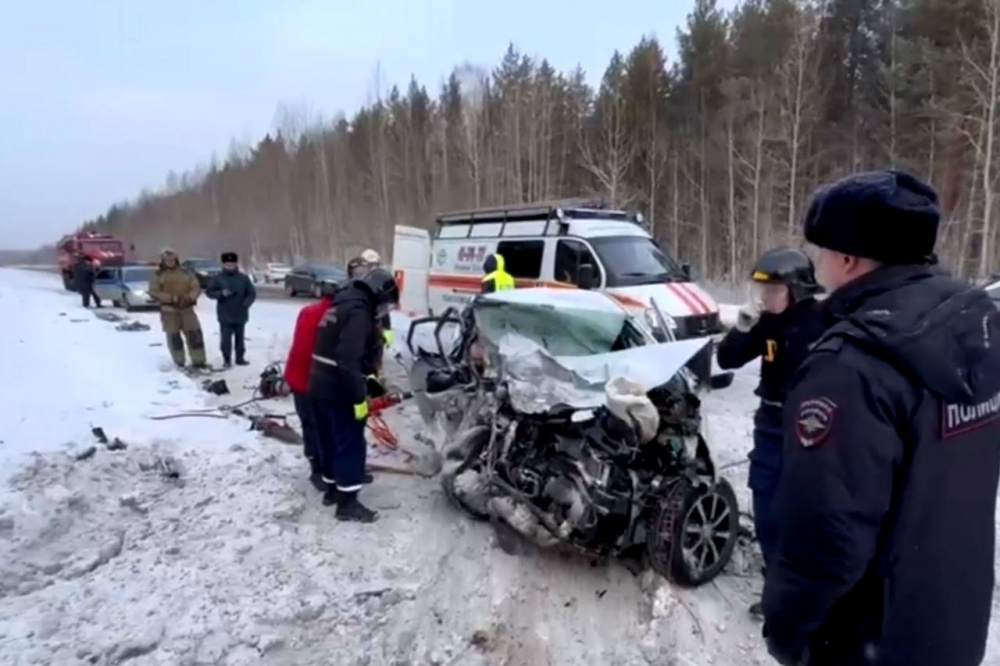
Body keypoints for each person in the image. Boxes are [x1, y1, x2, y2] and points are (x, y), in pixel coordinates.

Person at [762, 170, 1000, 666]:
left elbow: (826, 535)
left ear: (847, 259)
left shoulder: (849, 368)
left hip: (869, 640)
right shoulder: (974, 322)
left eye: (821, 249)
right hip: (950, 620)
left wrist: (786, 630)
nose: (817, 261)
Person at [716, 248, 825, 617]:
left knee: (803, 509)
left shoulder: (824, 324)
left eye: (773, 290)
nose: (765, 297)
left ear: (796, 289)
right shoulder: (766, 324)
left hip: (811, 432)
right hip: (771, 424)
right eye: (762, 289)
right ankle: (777, 583)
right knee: (766, 501)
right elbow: (727, 360)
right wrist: (742, 328)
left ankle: (807, 590)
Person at [309, 268, 399, 523]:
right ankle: (348, 502)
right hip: (339, 387)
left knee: (328, 439)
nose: (383, 311)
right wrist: (359, 398)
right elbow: (349, 359)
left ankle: (332, 490)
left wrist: (373, 387)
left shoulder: (342, 302)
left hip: (318, 382)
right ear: (378, 294)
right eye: (384, 305)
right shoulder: (359, 313)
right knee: (350, 443)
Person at [285, 282, 335, 492]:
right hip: (313, 380)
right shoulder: (335, 317)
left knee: (313, 424)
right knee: (318, 426)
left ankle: (324, 466)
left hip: (299, 376)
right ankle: (319, 469)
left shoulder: (309, 310)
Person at [149, 248, 207, 368]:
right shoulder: (158, 275)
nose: (170, 262)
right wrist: (172, 298)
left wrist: (190, 297)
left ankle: (199, 361)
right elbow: (154, 292)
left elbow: (196, 286)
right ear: (163, 261)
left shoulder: (186, 273)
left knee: (195, 335)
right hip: (169, 311)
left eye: (172, 260)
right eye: (167, 260)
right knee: (174, 337)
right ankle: (179, 361)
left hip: (187, 309)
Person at [205, 252, 256, 368]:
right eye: (227, 265)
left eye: (232, 264)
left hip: (240, 313)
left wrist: (246, 303)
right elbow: (209, 292)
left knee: (240, 338)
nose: (230, 267)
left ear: (236, 264)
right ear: (223, 265)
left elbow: (251, 293)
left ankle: (240, 357)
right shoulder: (218, 278)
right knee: (226, 339)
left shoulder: (243, 278)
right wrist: (221, 293)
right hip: (225, 313)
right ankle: (226, 359)